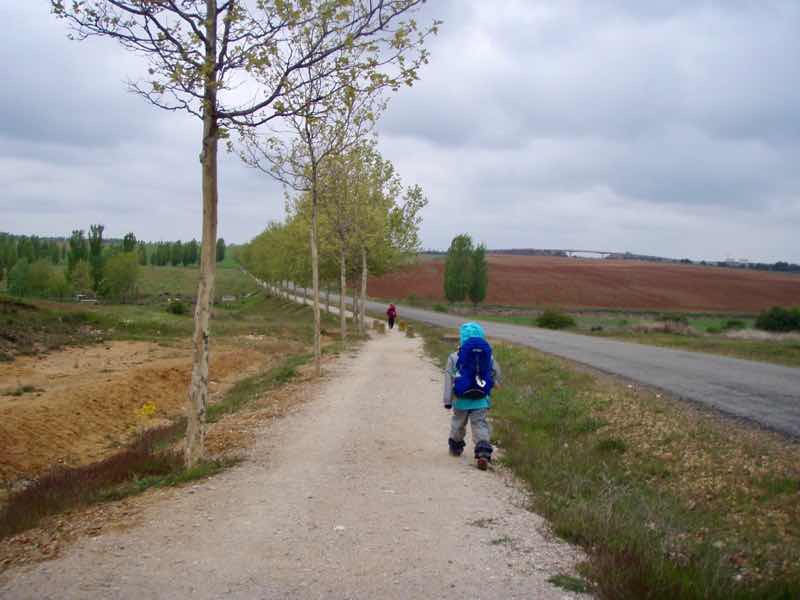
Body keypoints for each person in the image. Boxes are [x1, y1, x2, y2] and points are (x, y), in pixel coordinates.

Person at [443, 322, 501, 470]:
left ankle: (455, 447)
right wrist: (493, 384)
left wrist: (448, 400)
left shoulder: (454, 357)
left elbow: (449, 379)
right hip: (481, 399)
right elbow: (496, 373)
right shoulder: (488, 355)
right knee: (480, 424)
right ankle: (483, 451)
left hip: (461, 399)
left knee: (458, 423)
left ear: (462, 338)